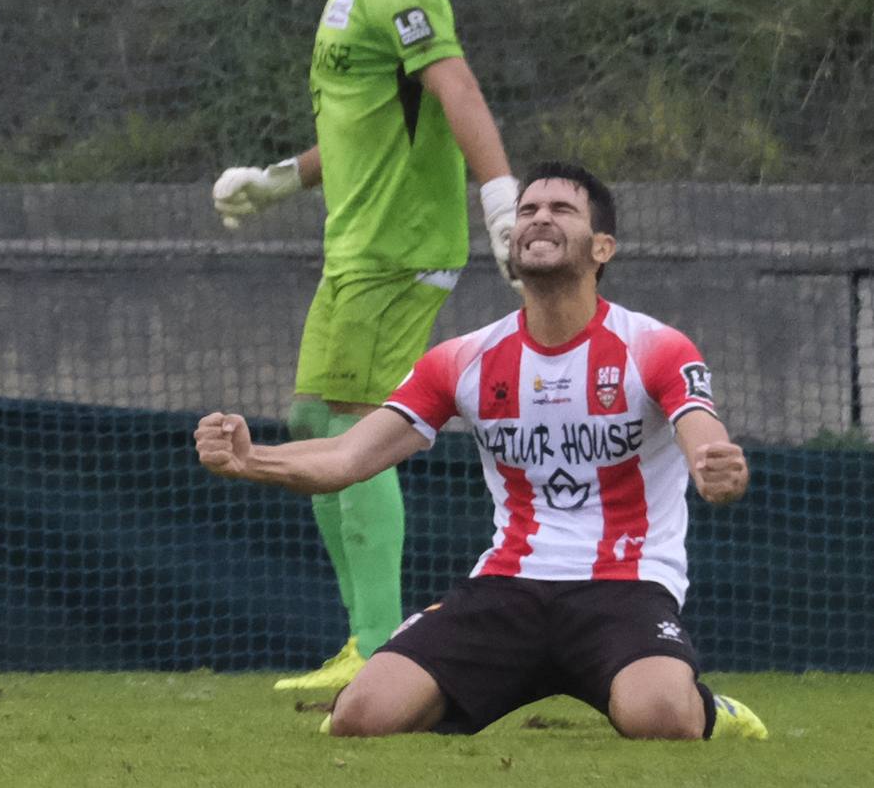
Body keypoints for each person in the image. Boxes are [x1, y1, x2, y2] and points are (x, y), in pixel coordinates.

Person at [195, 162, 767, 741]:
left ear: (603, 247)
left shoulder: (656, 346)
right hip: (507, 587)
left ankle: (717, 712)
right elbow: (345, 459)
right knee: (360, 716)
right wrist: (250, 459)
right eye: (527, 210)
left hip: (626, 585)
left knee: (660, 718)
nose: (539, 218)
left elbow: (704, 438)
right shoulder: (462, 359)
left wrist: (716, 467)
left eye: (561, 210)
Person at [210, 0, 518, 692]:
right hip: (356, 245)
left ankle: (379, 649)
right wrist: (275, 182)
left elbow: (456, 86)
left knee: (351, 424)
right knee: (313, 419)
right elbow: (361, 127)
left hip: (397, 247)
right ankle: (363, 642)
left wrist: (502, 197)